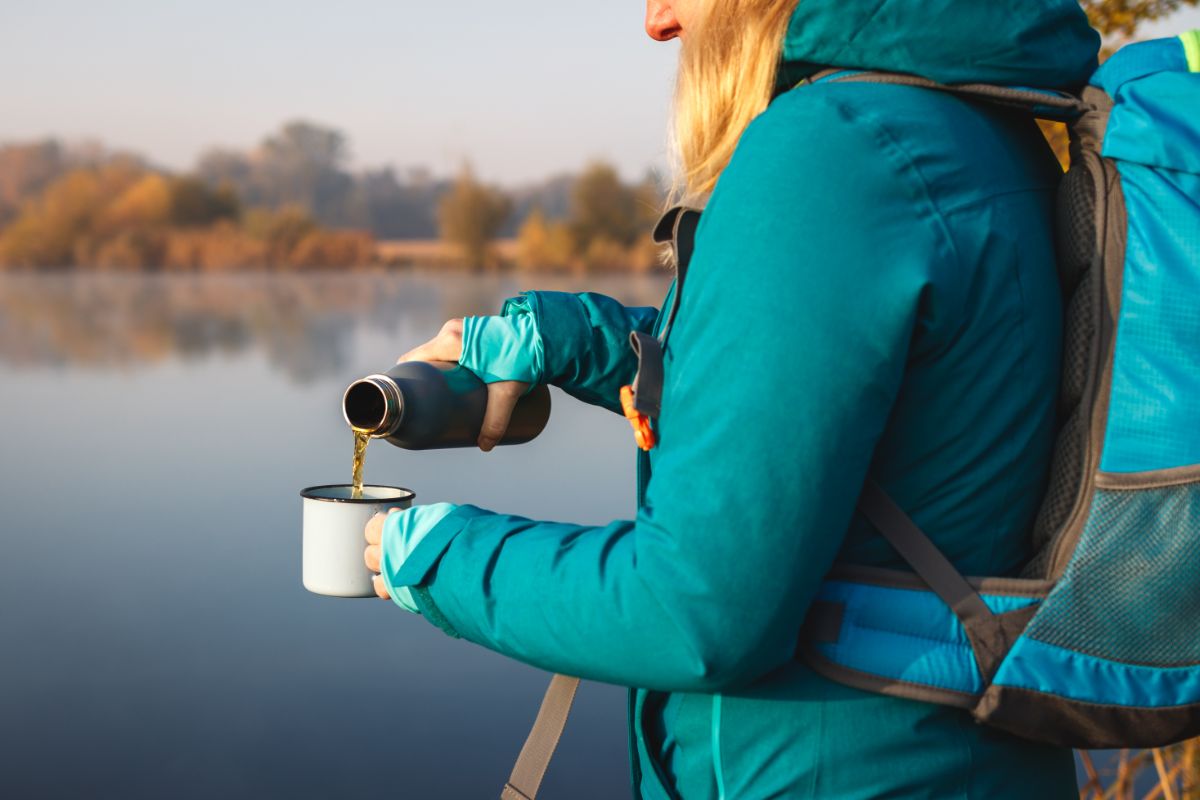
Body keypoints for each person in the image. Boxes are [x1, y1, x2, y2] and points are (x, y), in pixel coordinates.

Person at [362, 0, 1101, 797]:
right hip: (964, 757)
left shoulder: (830, 150)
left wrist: (441, 558)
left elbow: (692, 614)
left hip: (836, 770)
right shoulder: (963, 121)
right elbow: (814, 378)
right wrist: (572, 338)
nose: (657, 22)